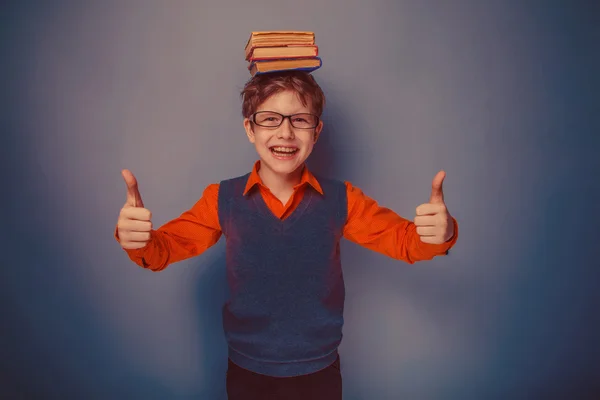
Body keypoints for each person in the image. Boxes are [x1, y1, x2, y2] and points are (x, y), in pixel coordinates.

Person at [115, 70, 458, 399]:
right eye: (269, 118)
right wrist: (140, 241)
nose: (285, 132)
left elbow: (404, 241)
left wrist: (438, 234)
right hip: (247, 372)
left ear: (316, 131)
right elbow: (164, 249)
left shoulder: (343, 199)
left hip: (319, 373)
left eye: (300, 119)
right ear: (250, 129)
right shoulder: (222, 199)